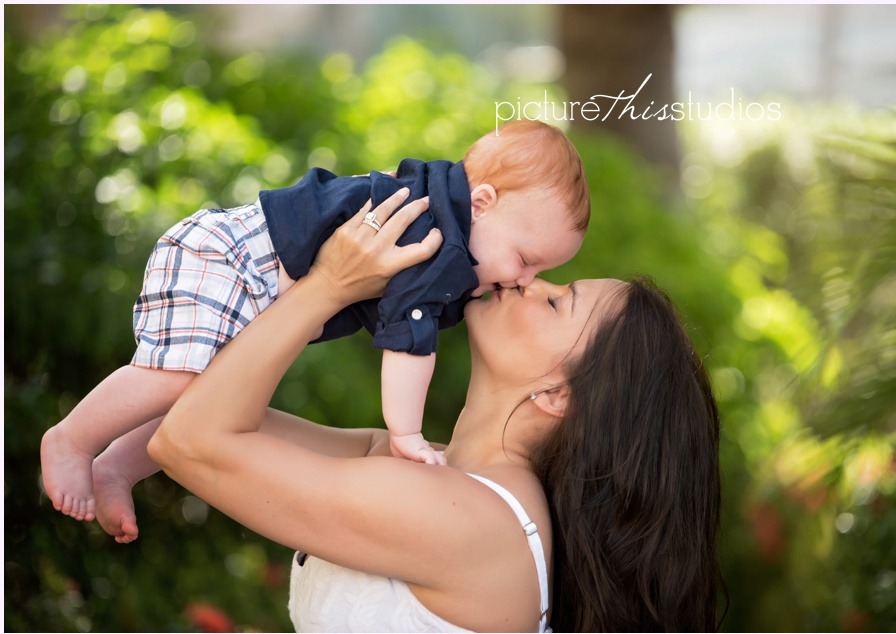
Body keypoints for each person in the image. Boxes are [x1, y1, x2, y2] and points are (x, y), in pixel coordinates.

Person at [148, 190, 726, 631]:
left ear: (558, 396)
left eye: (557, 302)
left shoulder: (474, 524)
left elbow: (190, 441)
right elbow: (191, 408)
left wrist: (331, 286)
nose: (528, 281)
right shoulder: (433, 473)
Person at [40, 119, 589, 533]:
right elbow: (408, 342)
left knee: (203, 391)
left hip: (253, 284)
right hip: (230, 258)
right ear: (484, 203)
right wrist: (406, 434)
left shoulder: (445, 220)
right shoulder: (433, 237)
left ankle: (117, 468)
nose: (525, 280)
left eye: (544, 273)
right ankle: (70, 439)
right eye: (525, 259)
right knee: (174, 378)